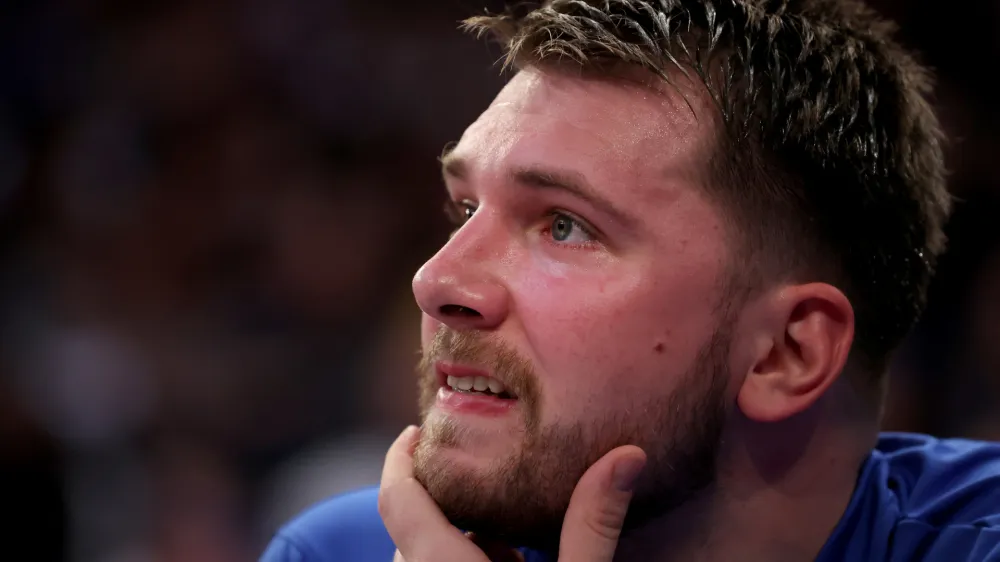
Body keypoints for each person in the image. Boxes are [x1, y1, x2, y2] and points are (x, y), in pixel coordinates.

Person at [260, 0, 1000, 560]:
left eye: (564, 225)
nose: (436, 281)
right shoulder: (350, 549)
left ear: (786, 352)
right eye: (464, 209)